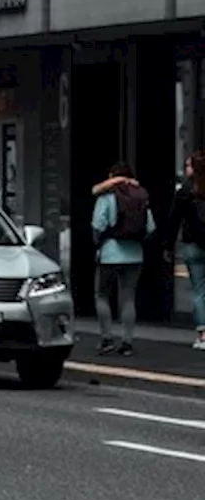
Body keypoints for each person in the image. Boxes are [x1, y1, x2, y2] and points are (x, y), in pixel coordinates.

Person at [91, 162, 156, 356]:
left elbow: (98, 225)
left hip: (109, 254)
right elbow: (151, 227)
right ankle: (127, 342)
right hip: (135, 254)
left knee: (101, 295)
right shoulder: (140, 197)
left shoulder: (106, 196)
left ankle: (106, 338)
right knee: (128, 298)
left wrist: (98, 244)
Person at [163, 151, 205, 349]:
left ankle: (203, 335)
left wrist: (168, 245)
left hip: (192, 245)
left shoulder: (185, 191)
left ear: (194, 169)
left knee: (199, 290)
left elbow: (174, 221)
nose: (186, 168)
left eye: (188, 165)